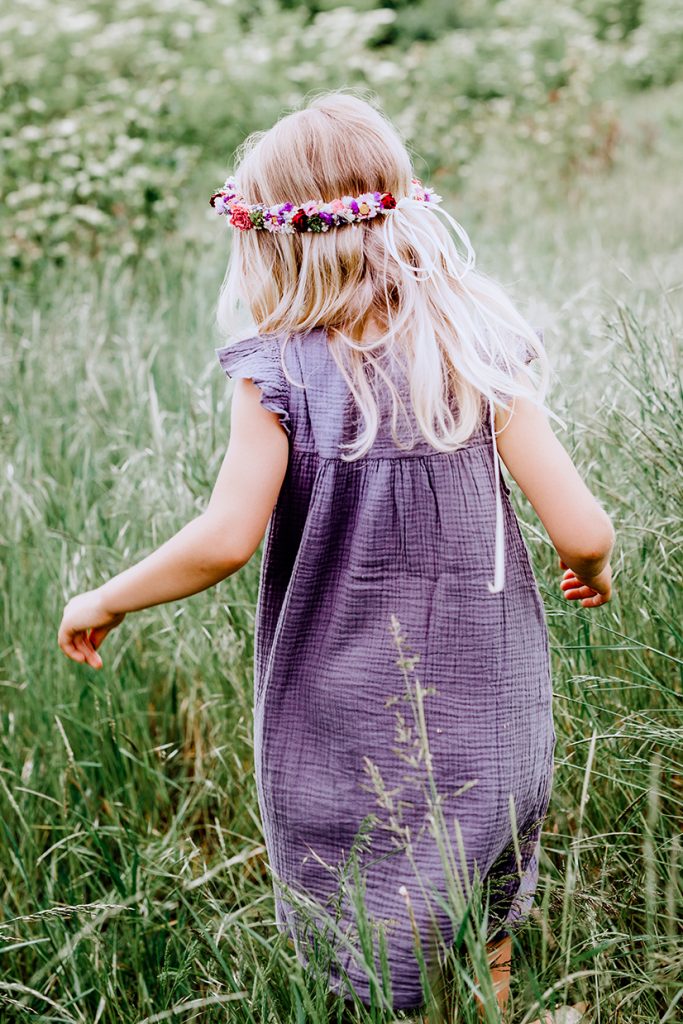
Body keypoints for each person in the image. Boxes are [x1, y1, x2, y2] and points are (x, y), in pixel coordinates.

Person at [57, 90, 615, 1021]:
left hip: (341, 702)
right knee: (481, 914)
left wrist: (106, 598)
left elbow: (226, 539)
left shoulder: (274, 367)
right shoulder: (476, 343)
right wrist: (589, 573)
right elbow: (583, 531)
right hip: (490, 698)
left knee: (360, 907)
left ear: (271, 242)